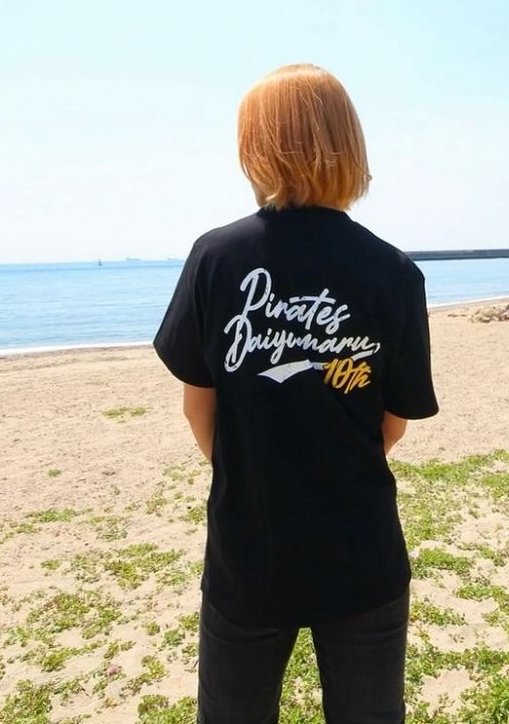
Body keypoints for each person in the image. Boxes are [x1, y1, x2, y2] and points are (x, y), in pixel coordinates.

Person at [153, 63, 439, 723]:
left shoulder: (216, 258)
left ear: (256, 149)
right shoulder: (392, 271)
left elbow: (199, 409)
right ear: (348, 144)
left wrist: (258, 472)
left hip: (248, 551)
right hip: (362, 551)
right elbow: (393, 423)